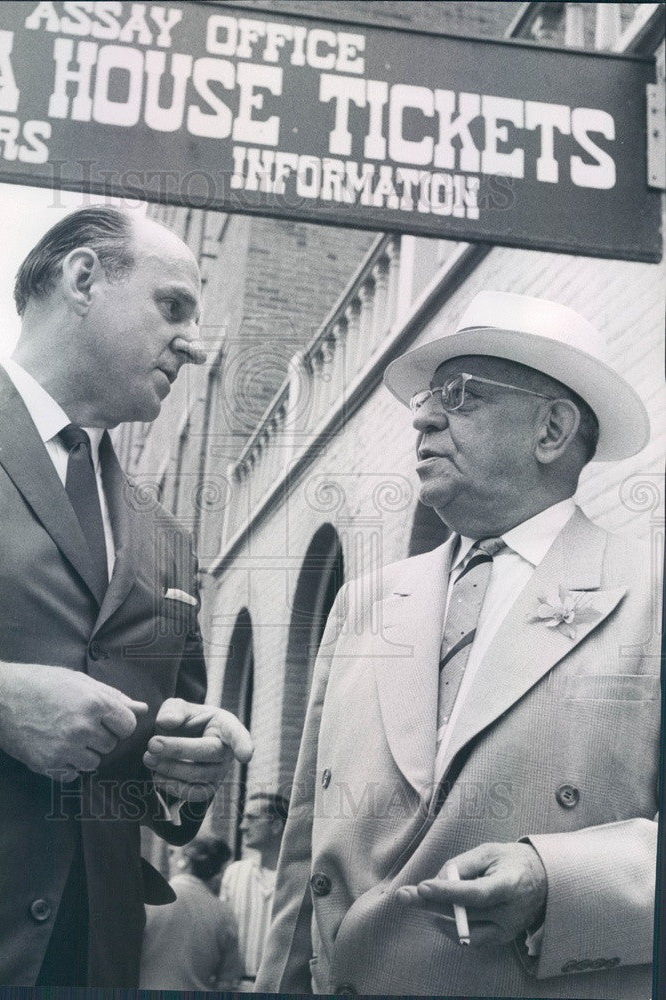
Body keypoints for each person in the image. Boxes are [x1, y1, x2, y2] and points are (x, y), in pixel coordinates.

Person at [0, 206, 253, 987]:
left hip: (95, 965)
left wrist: (183, 767)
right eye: (172, 306)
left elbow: (150, 789)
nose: (192, 342)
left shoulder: (168, 539)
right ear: (83, 278)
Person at [256, 291, 659, 998]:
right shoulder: (363, 602)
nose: (421, 416)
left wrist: (557, 880)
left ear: (551, 429)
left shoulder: (648, 591)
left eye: (460, 396)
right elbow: (304, 852)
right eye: (426, 398)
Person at [140, 835, 243, 989]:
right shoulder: (225, 913)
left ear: (185, 861)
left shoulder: (149, 900)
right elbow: (227, 982)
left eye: (172, 853)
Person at [219, 792, 289, 989]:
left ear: (276, 825)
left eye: (251, 818)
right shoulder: (235, 873)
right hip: (237, 986)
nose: (242, 826)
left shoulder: (300, 878)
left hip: (282, 988)